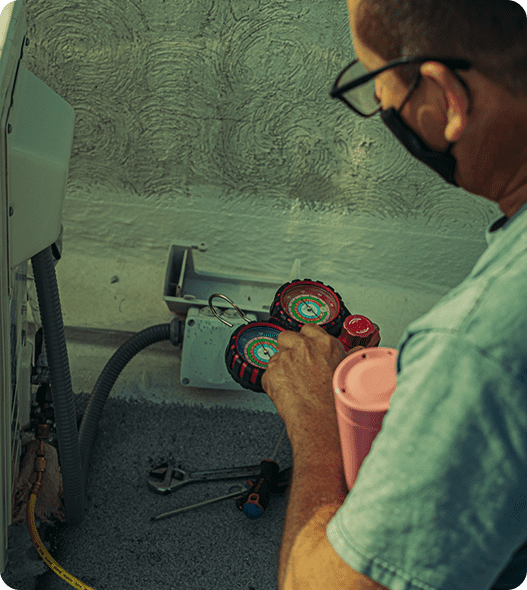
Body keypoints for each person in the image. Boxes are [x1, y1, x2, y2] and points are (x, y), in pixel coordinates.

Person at [261, 0, 527, 588]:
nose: (384, 111)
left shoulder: (476, 348)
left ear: (446, 97)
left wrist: (316, 430)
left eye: (381, 92)